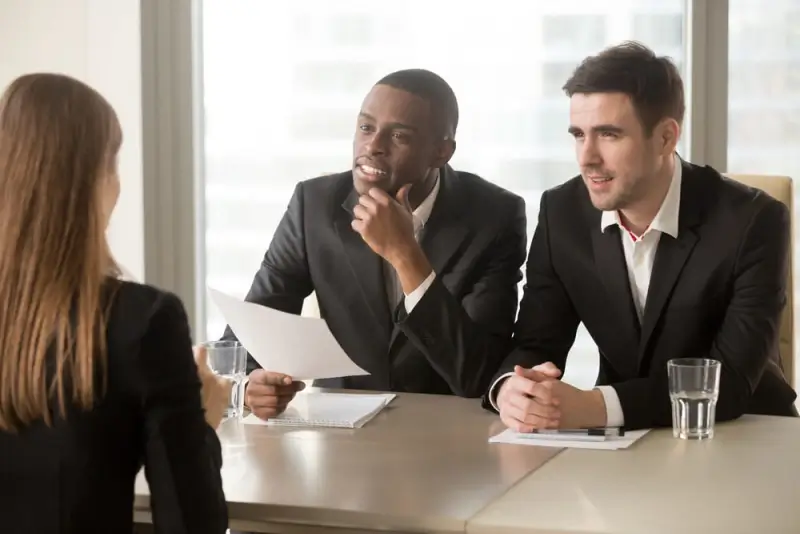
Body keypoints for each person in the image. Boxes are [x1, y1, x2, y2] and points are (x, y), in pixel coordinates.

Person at [486, 41, 798, 432]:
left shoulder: (755, 221)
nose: (586, 157)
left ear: (666, 138)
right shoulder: (561, 212)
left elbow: (730, 382)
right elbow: (535, 343)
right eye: (578, 135)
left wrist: (594, 408)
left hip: (747, 436)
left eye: (608, 135)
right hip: (626, 442)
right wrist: (511, 391)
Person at [224, 68, 527, 420]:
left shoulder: (493, 216)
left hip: (450, 433)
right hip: (339, 432)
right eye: (366, 128)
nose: (373, 147)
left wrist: (406, 255)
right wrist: (248, 386)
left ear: (441, 152)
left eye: (398, 136)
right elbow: (254, 326)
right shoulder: (314, 205)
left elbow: (480, 375)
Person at [0, 73, 230, 533]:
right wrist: (203, 420)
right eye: (114, 165)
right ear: (92, 181)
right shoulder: (142, 321)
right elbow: (190, 524)